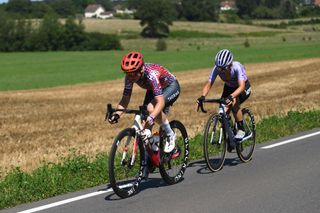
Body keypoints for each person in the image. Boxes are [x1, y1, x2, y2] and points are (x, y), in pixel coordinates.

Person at [108, 51, 180, 153]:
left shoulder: (152, 75)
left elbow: (160, 102)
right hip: (153, 90)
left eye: (133, 73)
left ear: (141, 69)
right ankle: (152, 155)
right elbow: (125, 99)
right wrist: (117, 114)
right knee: (145, 125)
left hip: (170, 87)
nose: (130, 77)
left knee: (151, 109)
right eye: (127, 73)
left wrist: (151, 117)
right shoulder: (129, 77)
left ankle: (170, 134)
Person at [197, 49, 251, 141]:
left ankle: (241, 129)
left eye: (223, 68)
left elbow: (241, 87)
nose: (220, 70)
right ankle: (231, 133)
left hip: (243, 87)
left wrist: (231, 96)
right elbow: (209, 84)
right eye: (219, 68)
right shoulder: (217, 69)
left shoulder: (236, 67)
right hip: (229, 87)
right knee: (222, 109)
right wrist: (203, 96)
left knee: (234, 103)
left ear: (230, 65)